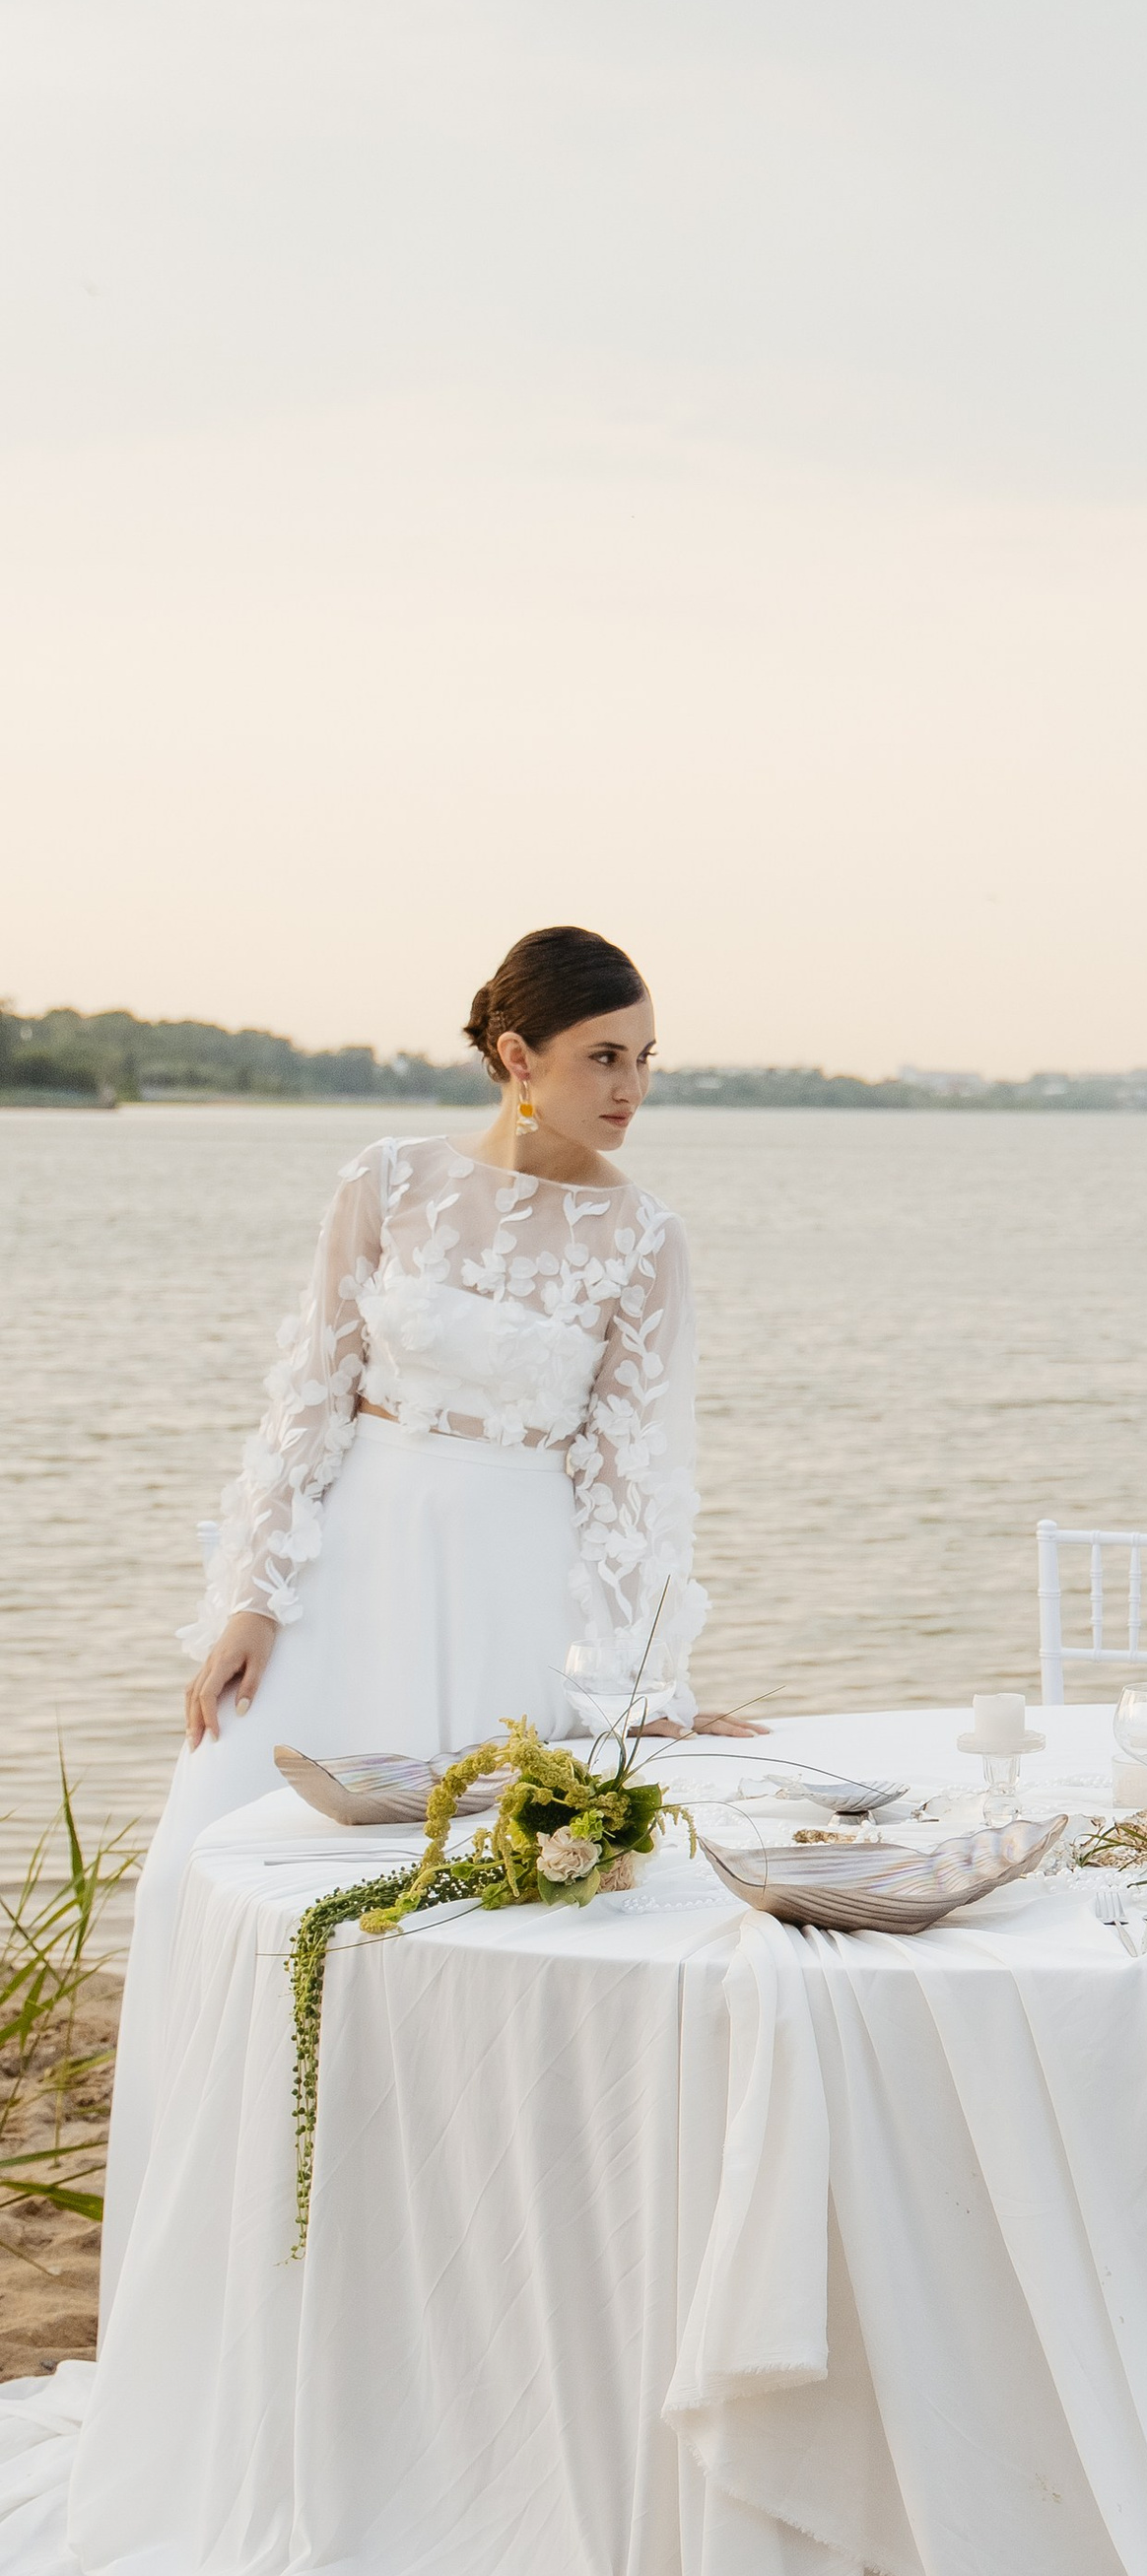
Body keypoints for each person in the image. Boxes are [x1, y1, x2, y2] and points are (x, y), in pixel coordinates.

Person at [103, 921, 759, 2306]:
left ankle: (419, 2280)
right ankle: (224, 2281)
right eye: (602, 1059)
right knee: (208, 1871)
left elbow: (638, 1478)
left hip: (510, 1582)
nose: (632, 1089)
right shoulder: (386, 1182)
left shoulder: (642, 1237)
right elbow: (308, 1396)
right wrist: (251, 1597)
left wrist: (644, 1688)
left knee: (450, 1924)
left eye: (646, 1059)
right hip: (350, 1567)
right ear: (516, 1058)